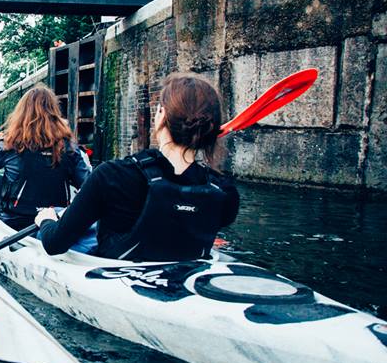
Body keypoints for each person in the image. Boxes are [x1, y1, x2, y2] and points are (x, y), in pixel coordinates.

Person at [35, 72, 240, 261]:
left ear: (161, 115)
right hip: (183, 281)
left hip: (117, 283)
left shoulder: (111, 175)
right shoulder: (225, 193)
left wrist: (46, 220)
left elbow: (54, 244)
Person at [0, 85, 90, 230]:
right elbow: (88, 185)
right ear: (55, 112)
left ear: (21, 113)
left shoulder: (10, 144)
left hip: (15, 223)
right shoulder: (69, 147)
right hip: (55, 222)